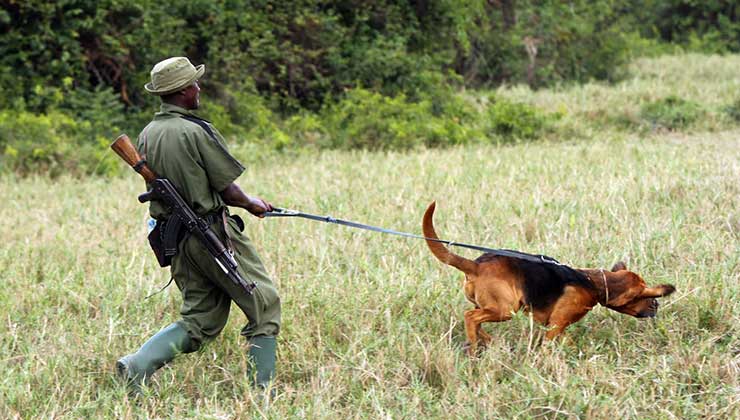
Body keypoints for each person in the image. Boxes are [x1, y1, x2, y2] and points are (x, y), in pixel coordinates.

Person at [116, 57, 281, 396]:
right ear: (181, 91)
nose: (199, 88)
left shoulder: (148, 132)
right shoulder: (195, 130)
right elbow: (227, 189)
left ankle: (136, 366)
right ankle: (262, 394)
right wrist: (253, 203)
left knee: (200, 319)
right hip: (211, 233)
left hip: (176, 240)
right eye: (194, 83)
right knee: (264, 303)